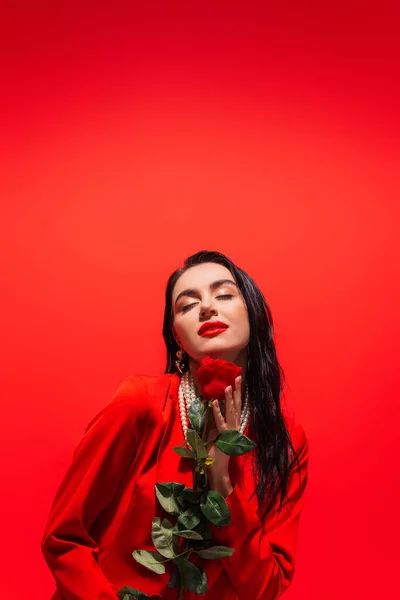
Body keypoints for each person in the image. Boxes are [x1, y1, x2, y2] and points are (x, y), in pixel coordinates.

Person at [41, 249, 309, 600]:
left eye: (224, 294)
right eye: (186, 305)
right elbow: (64, 538)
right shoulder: (141, 402)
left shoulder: (285, 440)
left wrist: (223, 485)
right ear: (177, 338)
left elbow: (265, 587)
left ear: (255, 315)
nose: (207, 308)